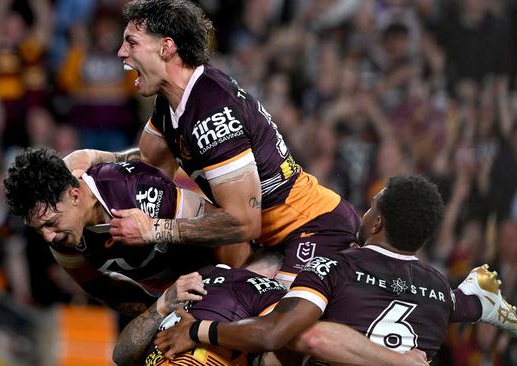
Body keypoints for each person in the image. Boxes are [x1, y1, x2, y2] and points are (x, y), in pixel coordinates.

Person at [63, 0, 360, 286]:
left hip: (313, 228)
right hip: (275, 241)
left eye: (132, 42)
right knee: (218, 308)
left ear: (166, 48)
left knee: (263, 323)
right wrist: (94, 157)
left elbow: (244, 223)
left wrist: (155, 229)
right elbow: (150, 166)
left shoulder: (212, 112)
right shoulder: (173, 102)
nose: (120, 52)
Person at [153, 176, 517, 362]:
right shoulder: (441, 292)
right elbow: (463, 304)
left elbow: (273, 334)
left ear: (376, 224)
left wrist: (200, 330)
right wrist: (479, 304)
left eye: (372, 206)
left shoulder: (334, 266)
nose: (365, 211)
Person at [3, 146, 223, 316]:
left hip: (224, 276)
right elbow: (99, 287)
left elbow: (223, 228)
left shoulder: (135, 189)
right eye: (39, 229)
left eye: (50, 223)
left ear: (74, 196)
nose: (48, 236)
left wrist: (156, 230)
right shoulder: (61, 234)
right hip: (178, 301)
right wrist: (159, 314)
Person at [113, 249, 429, 366]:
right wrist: (395, 359)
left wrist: (161, 306)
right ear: (274, 275)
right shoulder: (269, 292)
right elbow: (313, 338)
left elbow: (122, 355)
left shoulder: (193, 282)